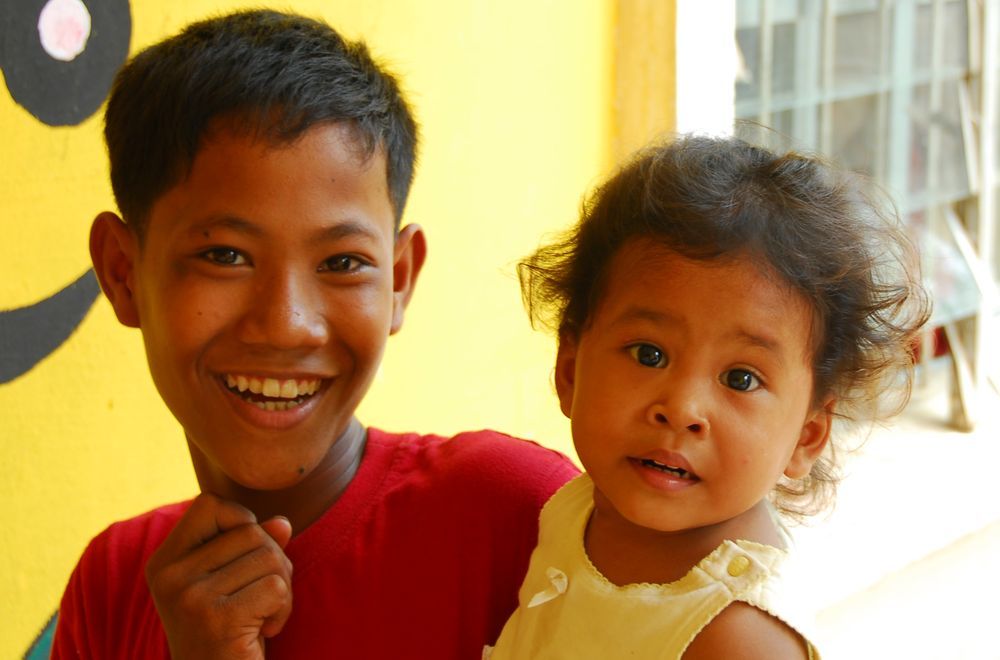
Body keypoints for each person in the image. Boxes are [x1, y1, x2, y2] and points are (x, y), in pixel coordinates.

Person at [51, 10, 578, 659]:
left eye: (342, 263)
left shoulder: (516, 518)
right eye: (224, 255)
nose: (286, 324)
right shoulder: (115, 582)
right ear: (123, 273)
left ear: (399, 279)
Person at [487, 135, 931, 659]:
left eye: (741, 379)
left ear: (806, 438)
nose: (681, 409)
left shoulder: (740, 638)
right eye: (649, 354)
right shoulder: (574, 511)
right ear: (569, 369)